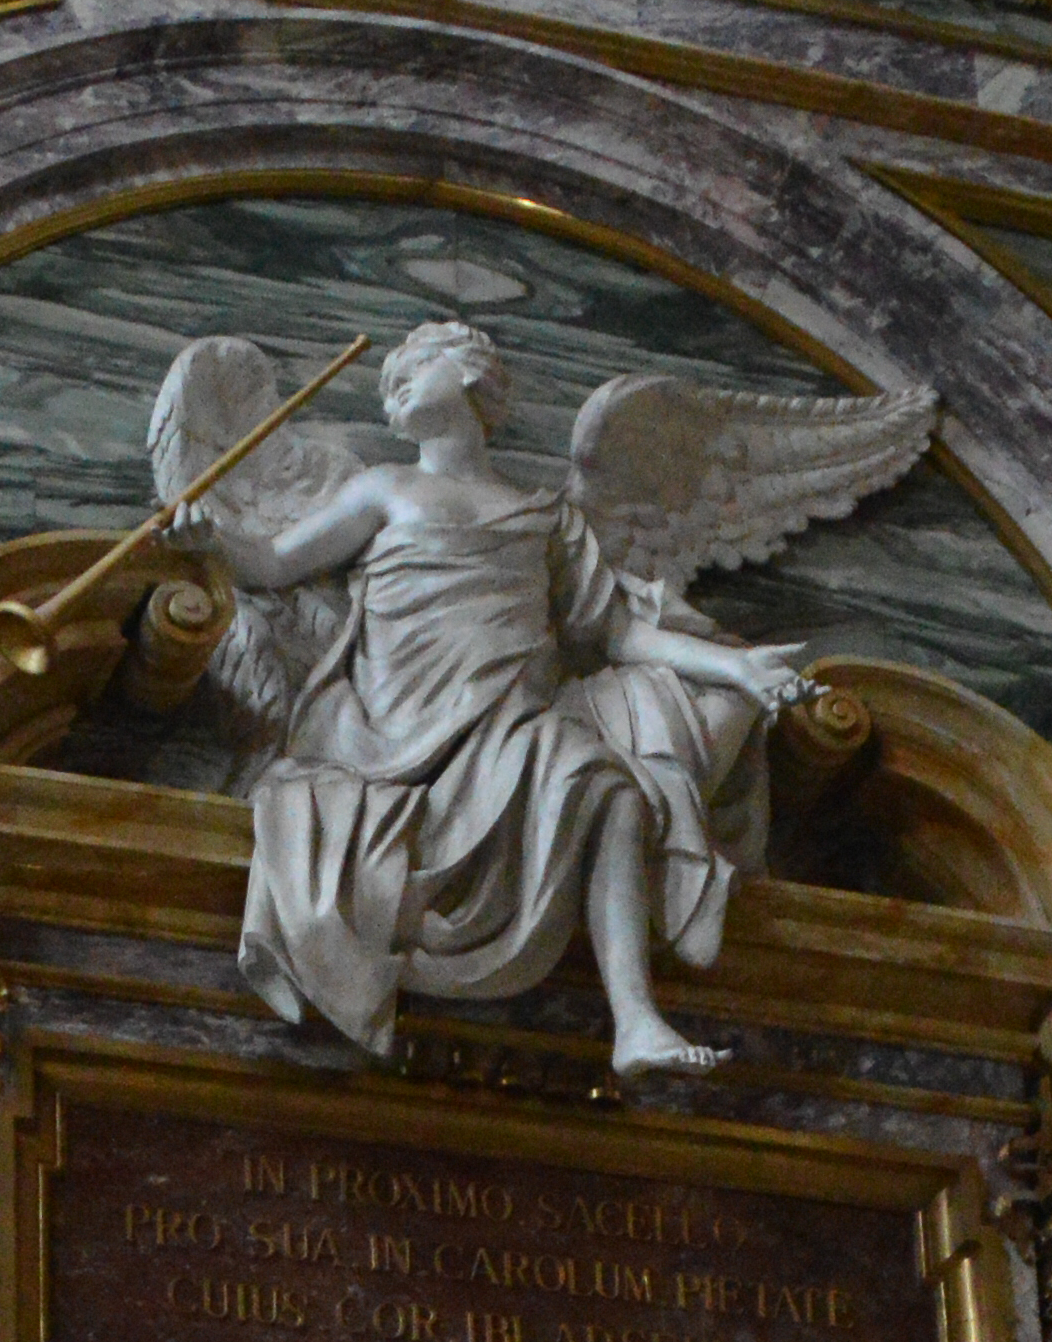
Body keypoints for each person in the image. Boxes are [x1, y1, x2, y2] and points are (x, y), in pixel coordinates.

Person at [197, 319, 802, 1073]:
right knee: (585, 766)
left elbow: (618, 635)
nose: (397, 383)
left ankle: (637, 1021)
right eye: (390, 379)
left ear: (475, 376)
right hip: (397, 726)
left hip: (511, 721)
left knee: (606, 781)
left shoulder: (545, 516)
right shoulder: (385, 487)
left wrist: (735, 668)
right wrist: (208, 538)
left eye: (418, 365)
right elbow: (275, 560)